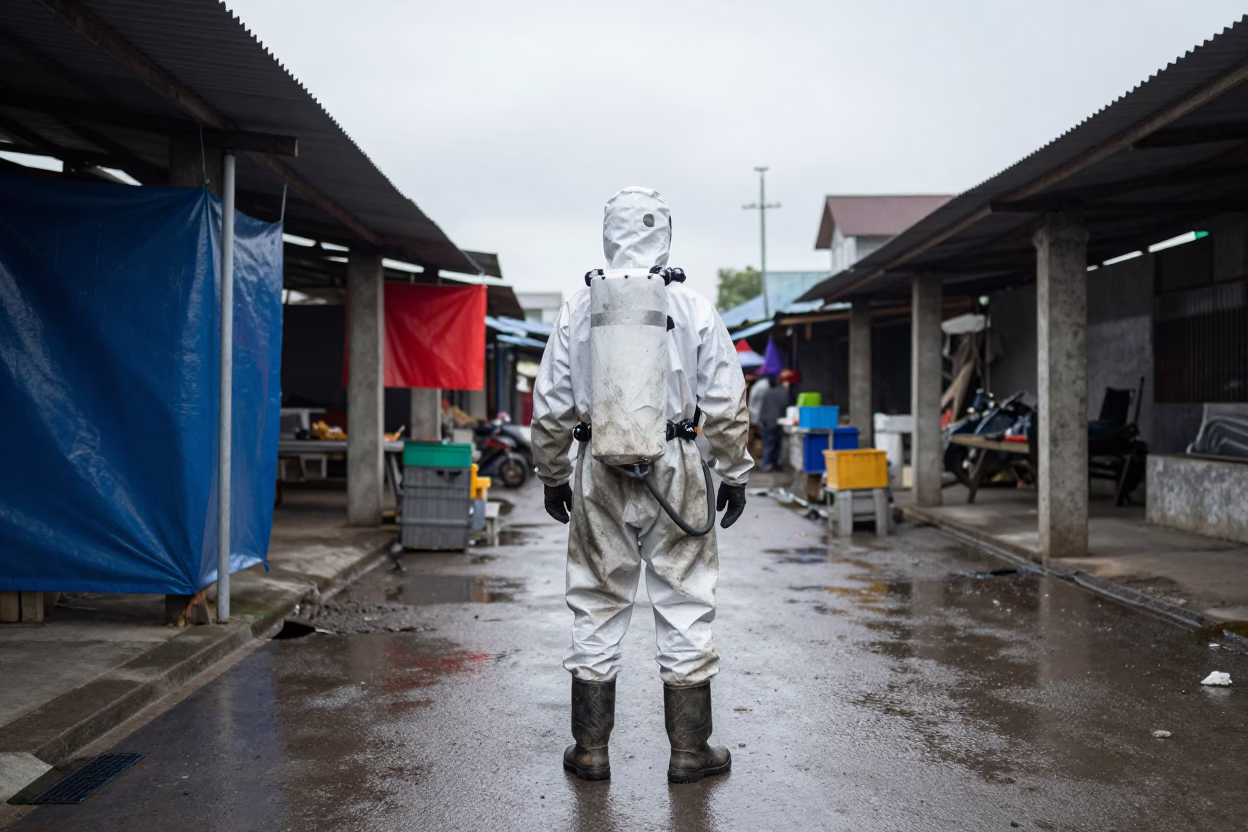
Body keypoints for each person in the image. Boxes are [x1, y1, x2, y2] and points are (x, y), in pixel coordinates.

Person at [531, 187, 752, 785]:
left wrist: (553, 474)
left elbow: (551, 403)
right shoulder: (694, 306)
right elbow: (727, 401)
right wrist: (733, 471)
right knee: (684, 602)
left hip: (596, 464)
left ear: (607, 232)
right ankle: (688, 752)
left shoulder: (581, 305)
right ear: (666, 233)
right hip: (677, 465)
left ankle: (591, 750)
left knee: (598, 602)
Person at [759, 369, 795, 472]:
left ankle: (766, 464)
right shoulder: (784, 393)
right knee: (777, 444)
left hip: (767, 421)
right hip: (778, 420)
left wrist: (761, 420)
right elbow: (786, 406)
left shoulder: (768, 392)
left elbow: (763, 407)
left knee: (768, 443)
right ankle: (774, 464)